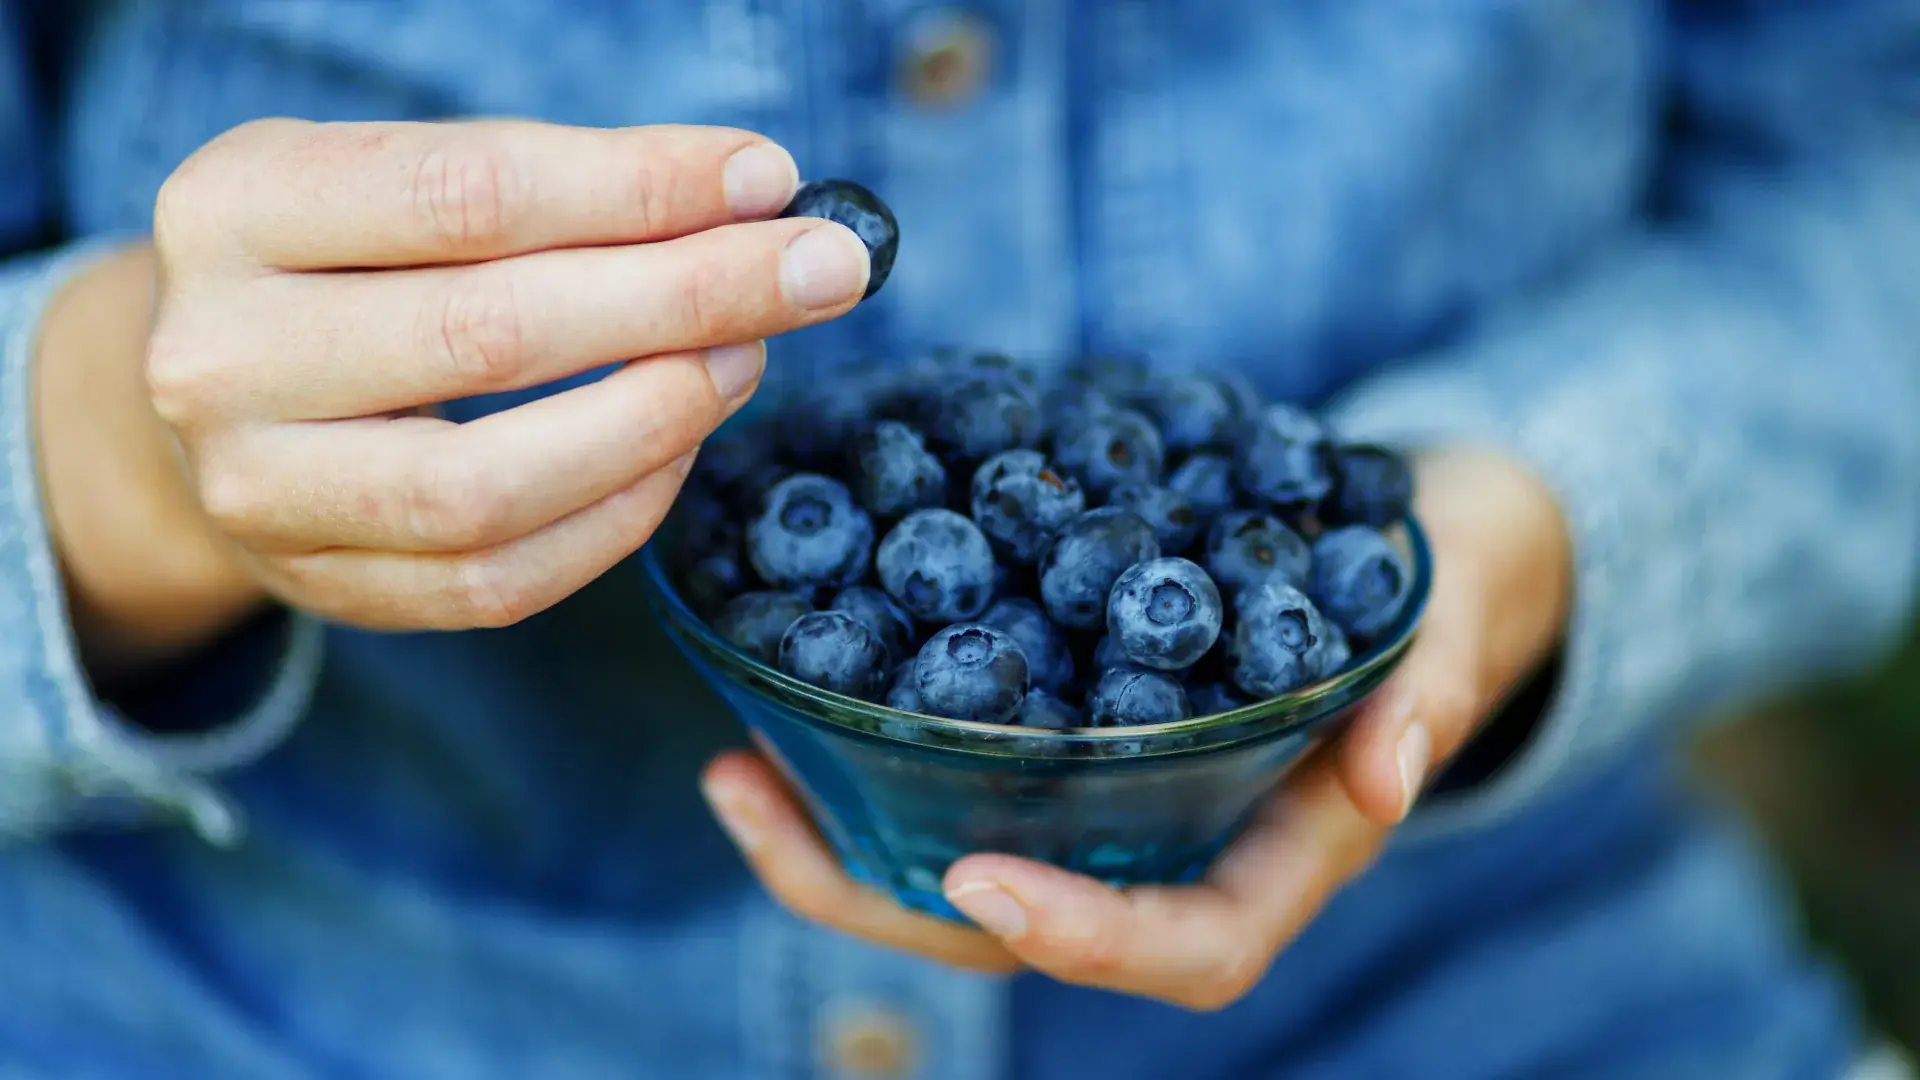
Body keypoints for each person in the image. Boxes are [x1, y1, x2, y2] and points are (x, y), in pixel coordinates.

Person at [2, 1, 1917, 1076]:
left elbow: (1873, 185)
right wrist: (123, 442)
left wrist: (1537, 511)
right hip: (275, 1013)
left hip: (1492, 1007)